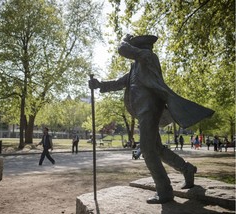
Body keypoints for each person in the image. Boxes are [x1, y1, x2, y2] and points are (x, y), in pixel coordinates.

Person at [89, 34, 214, 204]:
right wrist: (99, 85)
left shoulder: (148, 57)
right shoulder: (135, 68)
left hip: (150, 109)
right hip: (142, 112)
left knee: (147, 150)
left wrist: (124, 39)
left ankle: (164, 191)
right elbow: (118, 83)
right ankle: (187, 169)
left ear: (142, 47)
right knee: (157, 149)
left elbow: (123, 49)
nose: (134, 50)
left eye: (136, 47)